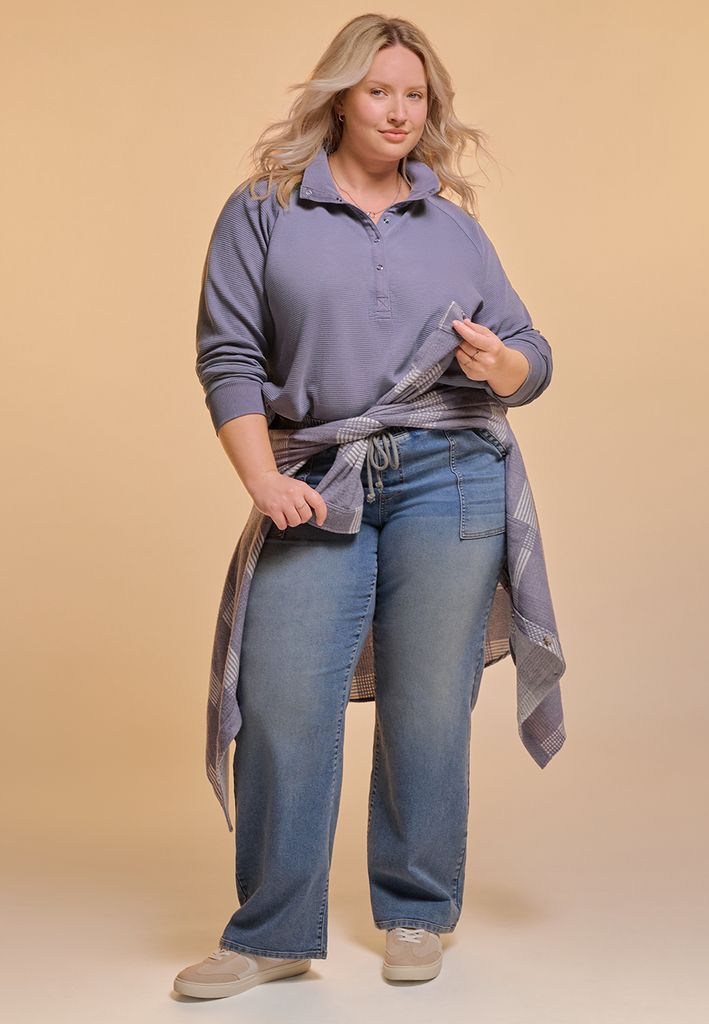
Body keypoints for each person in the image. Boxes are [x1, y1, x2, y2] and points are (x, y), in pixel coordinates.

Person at [174, 13, 557, 1001]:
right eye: (379, 91)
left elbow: (530, 353)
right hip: (319, 474)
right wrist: (261, 480)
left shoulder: (452, 224)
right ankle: (270, 934)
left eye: (414, 95)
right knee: (283, 699)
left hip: (451, 472)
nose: (397, 111)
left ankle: (417, 910)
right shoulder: (264, 209)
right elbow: (229, 356)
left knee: (429, 704)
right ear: (340, 97)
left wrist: (502, 364)